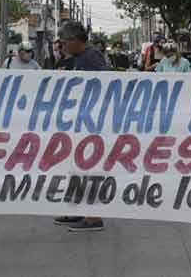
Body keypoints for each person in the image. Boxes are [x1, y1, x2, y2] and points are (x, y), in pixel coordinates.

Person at [53, 21, 109, 232]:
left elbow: (102, 87)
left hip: (91, 123)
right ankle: (79, 210)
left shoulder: (92, 58)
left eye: (64, 42)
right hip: (79, 121)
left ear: (76, 40)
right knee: (76, 168)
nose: (62, 46)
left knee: (88, 168)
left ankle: (94, 217)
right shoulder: (77, 59)